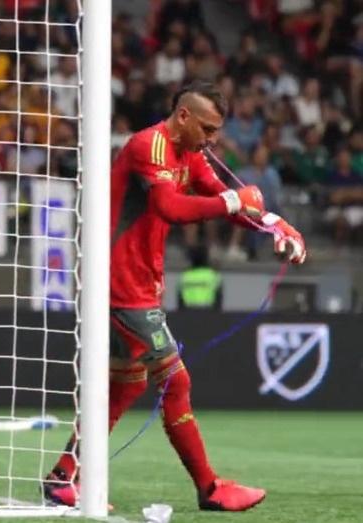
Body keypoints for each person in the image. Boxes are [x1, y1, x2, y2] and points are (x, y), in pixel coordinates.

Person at [42, 81, 306, 511]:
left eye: (216, 130)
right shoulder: (150, 147)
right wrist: (234, 203)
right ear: (183, 116)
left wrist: (278, 226)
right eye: (206, 128)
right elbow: (172, 208)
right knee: (175, 380)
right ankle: (209, 488)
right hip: (119, 283)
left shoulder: (190, 152)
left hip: (137, 282)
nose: (212, 139)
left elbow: (222, 198)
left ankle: (63, 477)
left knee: (127, 384)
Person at [178, 245, 222, 309]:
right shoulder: (213, 275)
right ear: (206, 258)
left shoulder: (184, 276)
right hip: (208, 313)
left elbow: (180, 301)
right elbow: (218, 300)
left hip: (188, 314)